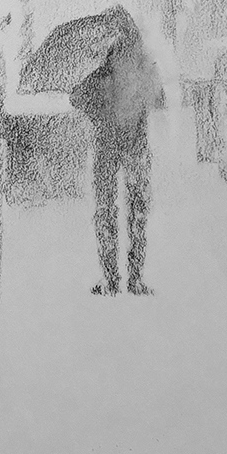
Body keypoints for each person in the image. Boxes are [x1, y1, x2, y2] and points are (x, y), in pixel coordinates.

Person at [69, 15, 164, 296]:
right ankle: (136, 278)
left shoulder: (103, 70)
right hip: (135, 145)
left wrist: (97, 107)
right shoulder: (144, 66)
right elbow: (158, 98)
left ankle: (111, 280)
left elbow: (76, 98)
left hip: (107, 148)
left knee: (106, 210)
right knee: (137, 212)